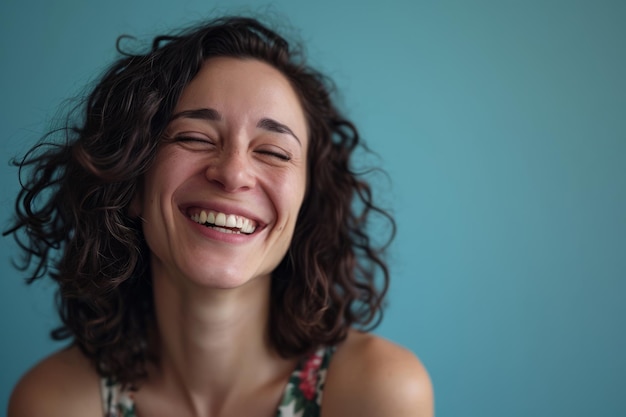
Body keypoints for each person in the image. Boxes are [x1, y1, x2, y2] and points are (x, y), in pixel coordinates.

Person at [6, 16, 433, 417]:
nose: (232, 173)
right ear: (131, 183)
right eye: (194, 137)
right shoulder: (55, 402)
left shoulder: (377, 392)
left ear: (306, 205)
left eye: (273, 151)